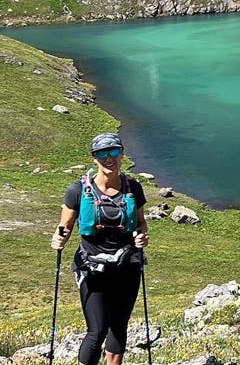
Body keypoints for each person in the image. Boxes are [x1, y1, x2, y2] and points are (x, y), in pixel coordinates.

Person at [50, 133, 148, 365]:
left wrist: (142, 236)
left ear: (122, 154)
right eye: (102, 154)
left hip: (127, 266)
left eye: (114, 152)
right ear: (94, 158)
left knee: (119, 326)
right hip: (92, 268)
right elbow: (64, 226)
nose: (109, 158)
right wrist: (58, 240)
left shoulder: (133, 188)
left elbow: (141, 222)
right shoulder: (77, 191)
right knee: (97, 329)